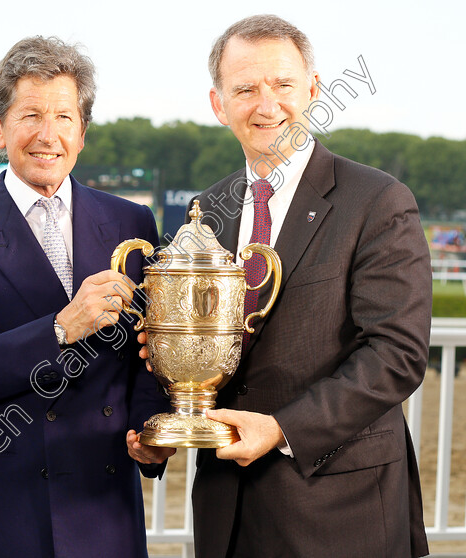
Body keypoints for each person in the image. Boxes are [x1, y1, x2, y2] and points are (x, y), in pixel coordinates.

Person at [148, 14, 430, 558]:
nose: (266, 103)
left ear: (314, 90)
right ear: (218, 104)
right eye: (245, 88)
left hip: (338, 509)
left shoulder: (377, 200)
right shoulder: (206, 212)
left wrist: (281, 428)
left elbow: (397, 353)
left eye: (282, 85)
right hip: (226, 509)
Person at [0, 36, 172, 558]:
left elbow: (151, 347)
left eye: (64, 117)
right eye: (30, 115)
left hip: (105, 505)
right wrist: (60, 327)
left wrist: (150, 433)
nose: (47, 135)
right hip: (2, 504)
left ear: (82, 132)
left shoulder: (132, 222)